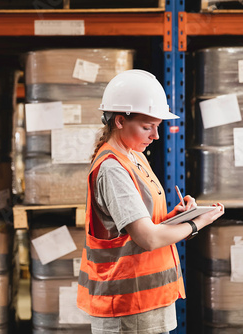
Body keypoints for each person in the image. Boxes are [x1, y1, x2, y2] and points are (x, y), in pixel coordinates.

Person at [77, 69, 224, 334]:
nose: (156, 136)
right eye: (148, 127)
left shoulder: (135, 157)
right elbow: (148, 238)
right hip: (127, 306)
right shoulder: (113, 169)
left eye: (157, 126)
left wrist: (176, 217)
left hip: (146, 302)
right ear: (120, 121)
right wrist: (196, 225)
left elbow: (143, 224)